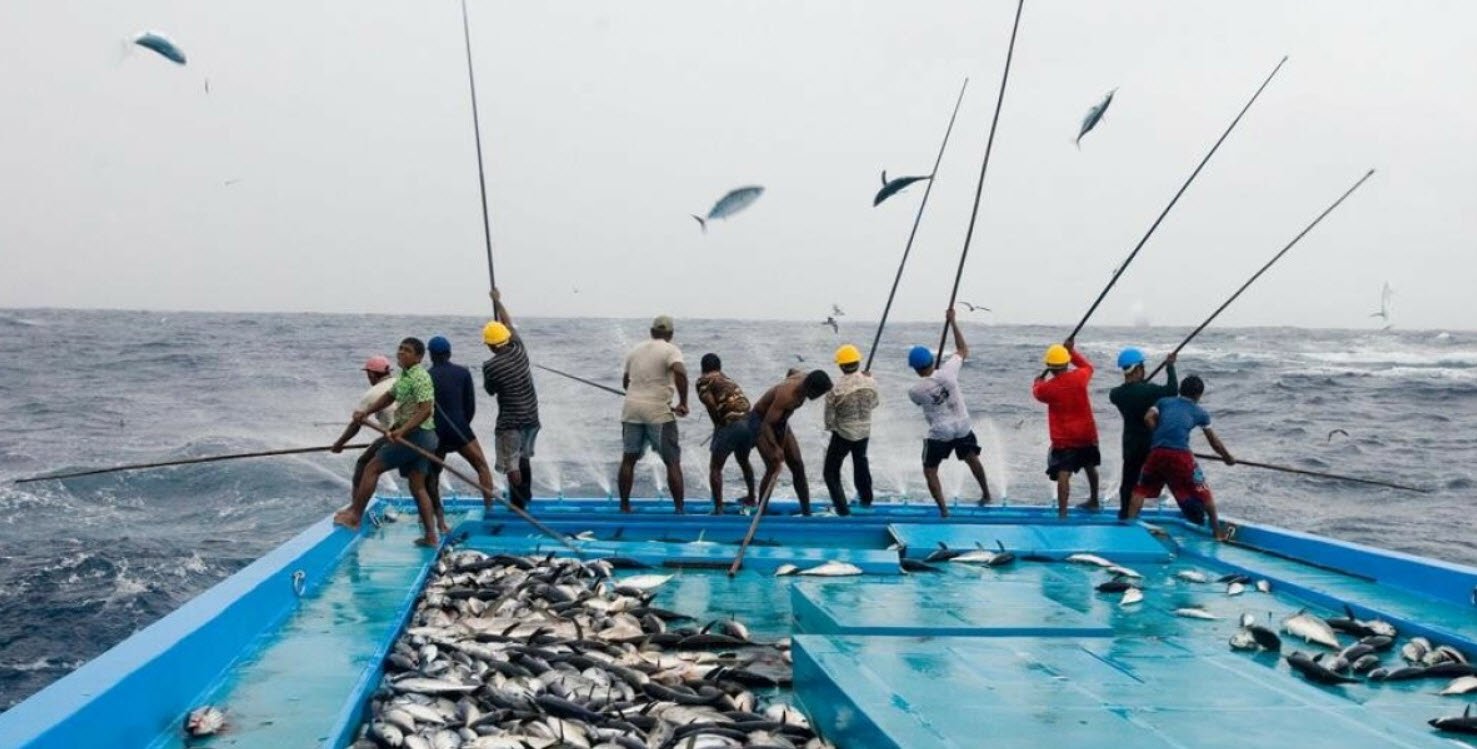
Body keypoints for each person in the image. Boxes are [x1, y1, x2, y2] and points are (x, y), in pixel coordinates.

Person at [334, 337, 441, 547]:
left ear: (418, 357)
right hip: (418, 436)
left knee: (372, 467)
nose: (401, 353)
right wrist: (366, 412)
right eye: (400, 349)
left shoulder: (420, 377)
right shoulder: (404, 376)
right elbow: (389, 398)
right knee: (417, 486)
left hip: (417, 436)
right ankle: (431, 536)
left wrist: (401, 430)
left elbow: (426, 409)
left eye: (407, 350)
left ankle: (355, 516)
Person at [1123, 374, 1235, 540]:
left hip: (1156, 452)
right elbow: (1215, 443)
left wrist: (1160, 436)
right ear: (1198, 395)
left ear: (1180, 390)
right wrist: (1228, 458)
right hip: (1181, 455)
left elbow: (1148, 417)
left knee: (1140, 490)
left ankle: (1128, 528)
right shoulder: (1200, 412)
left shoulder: (1164, 402)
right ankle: (1217, 532)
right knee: (1203, 490)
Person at [907, 308, 990, 517]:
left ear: (915, 369)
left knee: (930, 470)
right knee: (972, 458)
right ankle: (986, 494)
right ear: (931, 361)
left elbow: (922, 400)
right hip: (962, 425)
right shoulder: (949, 371)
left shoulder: (915, 390)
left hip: (941, 432)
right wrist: (953, 322)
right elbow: (962, 349)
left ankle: (944, 511)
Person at [618, 315, 689, 513]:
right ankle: (679, 510)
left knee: (628, 459)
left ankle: (624, 506)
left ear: (651, 332)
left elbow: (626, 382)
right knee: (672, 461)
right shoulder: (671, 350)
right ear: (671, 334)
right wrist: (683, 403)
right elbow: (681, 372)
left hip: (631, 410)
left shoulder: (634, 350)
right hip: (658, 413)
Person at [423, 335, 495, 528]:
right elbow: (470, 405)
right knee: (481, 467)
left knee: (432, 477)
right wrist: (462, 425)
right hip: (460, 428)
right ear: (449, 353)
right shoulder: (463, 373)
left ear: (430, 355)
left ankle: (440, 521)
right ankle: (489, 508)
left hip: (436, 433)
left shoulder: (426, 376)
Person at [481, 289, 541, 510]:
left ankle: (519, 501)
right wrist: (497, 302)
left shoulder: (490, 366)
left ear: (489, 345)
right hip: (532, 418)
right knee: (524, 457)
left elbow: (490, 391)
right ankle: (524, 497)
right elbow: (508, 322)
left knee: (511, 464)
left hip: (510, 422)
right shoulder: (518, 348)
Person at [1032, 339, 1100, 518]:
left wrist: (1038, 381)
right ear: (1066, 362)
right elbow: (1088, 367)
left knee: (1064, 473)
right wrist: (1072, 352)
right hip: (1087, 433)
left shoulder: (1048, 389)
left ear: (1050, 366)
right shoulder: (1080, 378)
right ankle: (1094, 500)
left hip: (1064, 439)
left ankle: (1063, 514)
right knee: (1089, 466)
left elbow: (1037, 392)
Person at [749, 370, 833, 516]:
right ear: (810, 388)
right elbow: (766, 425)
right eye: (819, 393)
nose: (819, 397)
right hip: (761, 422)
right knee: (774, 465)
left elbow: (791, 371)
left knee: (797, 464)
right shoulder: (787, 396)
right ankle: (761, 511)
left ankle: (806, 512)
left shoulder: (802, 377)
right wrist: (775, 447)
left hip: (780, 422)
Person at [1109, 347, 1178, 519]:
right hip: (1149, 443)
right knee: (1161, 477)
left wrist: (1141, 385)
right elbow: (1172, 391)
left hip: (1130, 444)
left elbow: (1129, 391)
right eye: (1143, 367)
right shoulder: (1150, 391)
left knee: (1128, 481)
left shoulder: (1116, 394)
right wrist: (1170, 367)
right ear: (1138, 369)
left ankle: (1125, 512)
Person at [695, 353, 757, 514]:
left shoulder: (704, 381)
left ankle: (718, 509)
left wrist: (717, 424)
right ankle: (752, 497)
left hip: (731, 424)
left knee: (715, 467)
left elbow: (710, 404)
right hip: (749, 423)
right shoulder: (727, 379)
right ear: (719, 367)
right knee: (743, 461)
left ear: (702, 368)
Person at [822, 344, 879, 514]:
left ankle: (842, 509)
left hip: (843, 434)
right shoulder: (871, 382)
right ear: (858, 363)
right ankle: (866, 500)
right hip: (864, 431)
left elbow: (829, 421)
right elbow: (875, 403)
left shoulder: (835, 389)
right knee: (861, 464)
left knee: (830, 473)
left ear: (841, 365)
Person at [330, 355, 396, 494]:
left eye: (367, 374)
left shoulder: (371, 394)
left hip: (395, 436)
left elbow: (355, 425)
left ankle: (356, 507)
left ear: (371, 374)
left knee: (363, 463)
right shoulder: (400, 382)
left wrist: (340, 444)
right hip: (415, 430)